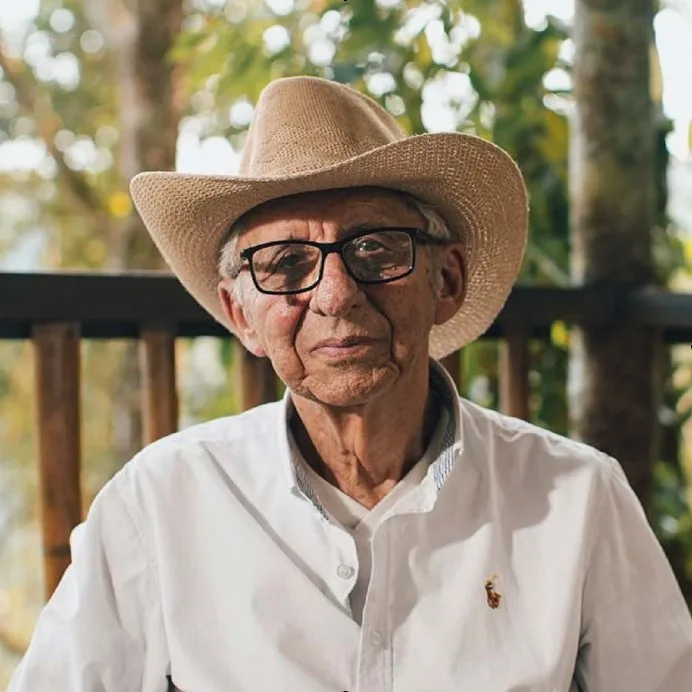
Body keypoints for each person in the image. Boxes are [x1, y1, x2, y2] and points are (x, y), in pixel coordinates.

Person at [8, 76, 692, 692]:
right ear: (240, 314)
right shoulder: (159, 504)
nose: (336, 294)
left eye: (375, 249)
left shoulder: (577, 498)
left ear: (447, 280)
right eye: (285, 263)